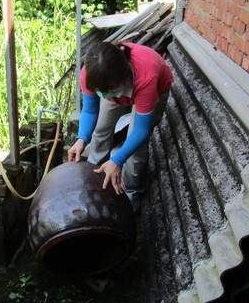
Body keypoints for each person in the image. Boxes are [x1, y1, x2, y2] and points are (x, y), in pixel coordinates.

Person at [67, 40, 174, 213]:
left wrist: (117, 160)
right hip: (115, 89)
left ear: (122, 79)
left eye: (107, 89)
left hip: (153, 89)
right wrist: (81, 139)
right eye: (100, 91)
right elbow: (89, 111)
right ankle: (94, 178)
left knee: (136, 148)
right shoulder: (92, 73)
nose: (102, 94)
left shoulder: (146, 77)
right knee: (100, 130)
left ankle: (131, 194)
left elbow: (140, 130)